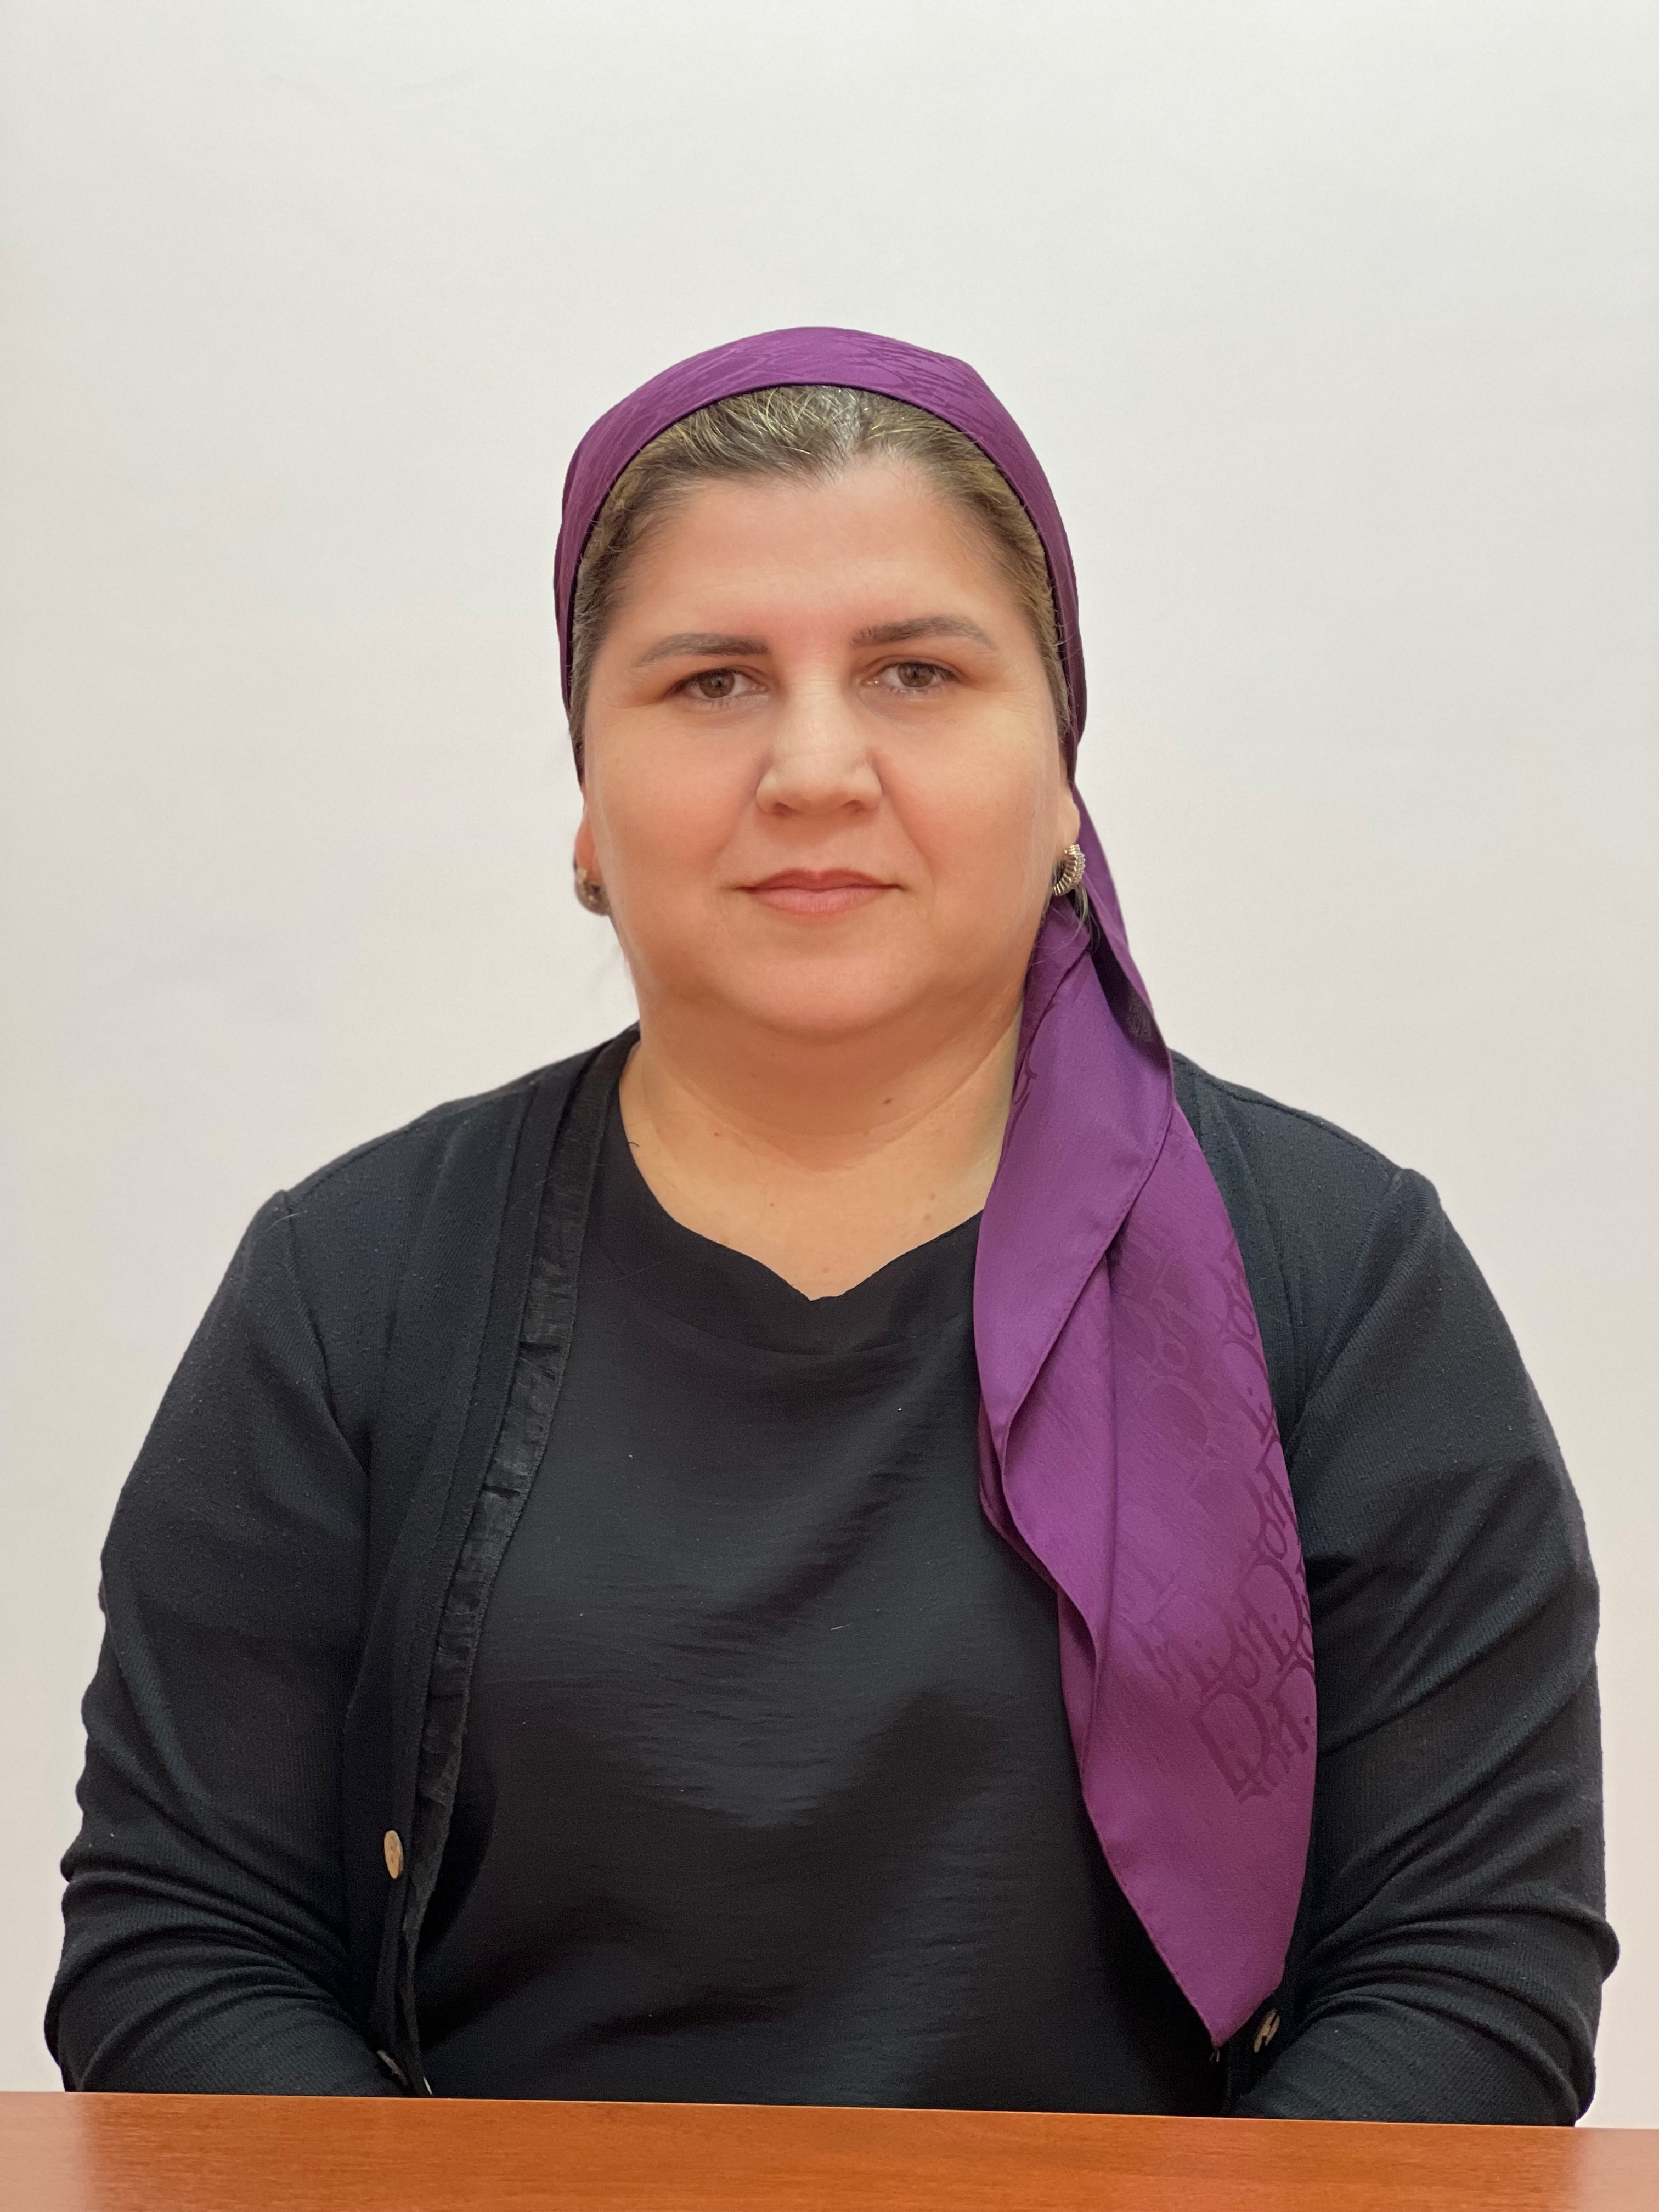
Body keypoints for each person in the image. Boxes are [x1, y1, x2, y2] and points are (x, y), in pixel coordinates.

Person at [48, 329, 1615, 2120]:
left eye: (915, 673)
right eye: (711, 681)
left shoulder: (1346, 1285)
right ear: (586, 804)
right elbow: (183, 1951)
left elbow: (1469, 1973)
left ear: (1064, 785)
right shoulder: (351, 1288)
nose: (813, 766)